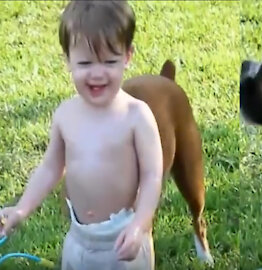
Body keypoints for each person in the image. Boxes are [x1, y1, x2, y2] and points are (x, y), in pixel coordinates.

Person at [0, 1, 163, 269]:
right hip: (78, 239)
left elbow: (152, 176)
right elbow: (51, 168)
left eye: (109, 61)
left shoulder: (137, 116)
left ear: (128, 56)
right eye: (85, 63)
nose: (97, 73)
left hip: (124, 241)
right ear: (67, 60)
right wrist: (21, 209)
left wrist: (139, 225)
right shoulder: (66, 114)